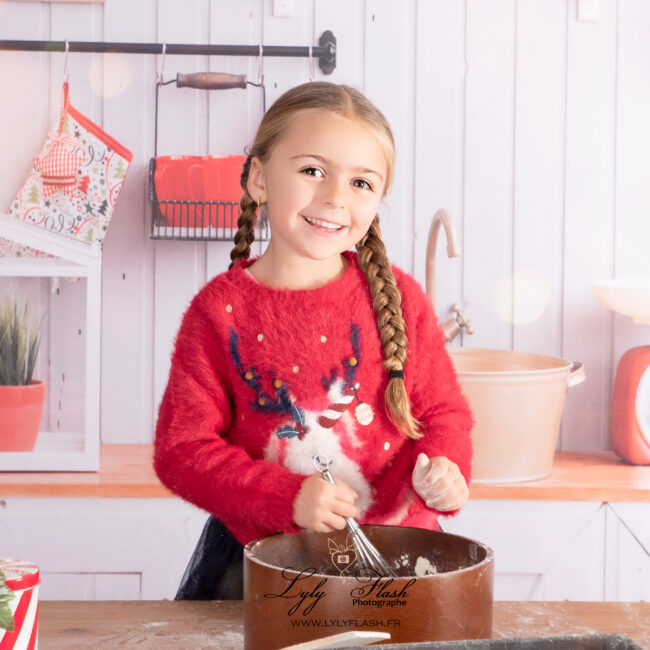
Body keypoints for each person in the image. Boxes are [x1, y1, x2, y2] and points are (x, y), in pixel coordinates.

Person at [154, 81, 473, 600]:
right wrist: (286, 497)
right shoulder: (218, 313)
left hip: (398, 564)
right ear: (259, 177)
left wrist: (446, 467)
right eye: (312, 171)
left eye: (361, 183)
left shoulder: (401, 299)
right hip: (266, 571)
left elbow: (444, 414)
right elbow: (182, 450)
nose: (333, 198)